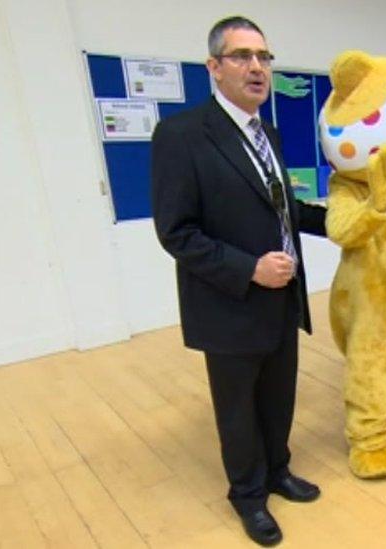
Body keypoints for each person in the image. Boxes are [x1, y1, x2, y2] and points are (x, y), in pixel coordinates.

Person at [151, 15, 326, 546]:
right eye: (242, 56)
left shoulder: (265, 130)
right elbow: (176, 232)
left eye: (264, 57)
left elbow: (282, 208)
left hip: (284, 299)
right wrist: (249, 267)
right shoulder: (182, 136)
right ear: (214, 67)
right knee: (237, 408)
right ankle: (248, 497)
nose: (257, 67)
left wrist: (338, 221)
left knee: (279, 396)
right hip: (230, 301)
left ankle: (277, 471)